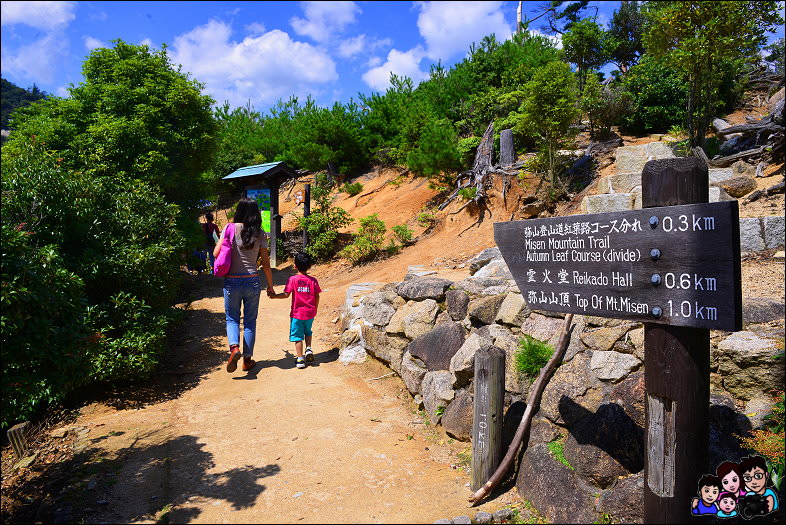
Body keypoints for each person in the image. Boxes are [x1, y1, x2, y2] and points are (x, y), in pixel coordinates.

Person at [213, 198, 275, 373]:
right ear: (256, 213)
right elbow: (266, 263)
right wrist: (270, 286)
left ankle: (234, 349)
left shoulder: (229, 228)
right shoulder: (260, 233)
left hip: (231, 281)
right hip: (252, 281)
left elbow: (216, 253)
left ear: (238, 211)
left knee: (232, 318)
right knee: (250, 322)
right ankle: (247, 360)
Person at [270, 252, 321, 369]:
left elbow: (286, 294)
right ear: (309, 266)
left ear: (295, 266)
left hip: (297, 314)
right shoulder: (313, 281)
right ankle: (308, 349)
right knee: (308, 331)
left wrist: (274, 296)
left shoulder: (293, 279)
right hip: (310, 313)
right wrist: (315, 308)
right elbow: (317, 296)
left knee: (297, 337)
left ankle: (300, 359)